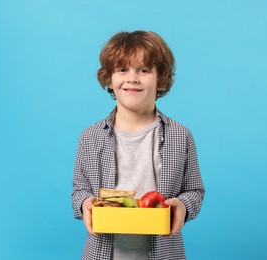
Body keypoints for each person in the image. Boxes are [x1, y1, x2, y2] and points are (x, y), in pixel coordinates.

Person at [71, 30, 205, 260]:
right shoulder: (90, 137)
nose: (132, 78)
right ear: (110, 79)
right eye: (122, 69)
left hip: (164, 252)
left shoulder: (181, 136)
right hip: (103, 252)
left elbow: (194, 191)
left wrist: (182, 206)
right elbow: (79, 189)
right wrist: (85, 204)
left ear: (161, 79)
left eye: (144, 70)